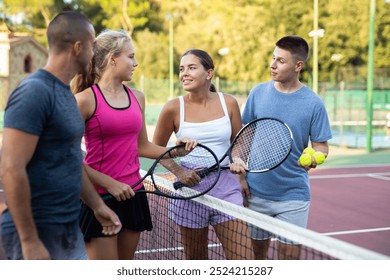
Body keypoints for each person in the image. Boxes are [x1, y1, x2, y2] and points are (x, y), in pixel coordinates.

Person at [0, 11, 122, 260]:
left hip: (68, 227)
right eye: (92, 45)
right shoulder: (35, 91)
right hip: (37, 232)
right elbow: (11, 167)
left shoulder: (66, 93)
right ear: (78, 47)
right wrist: (29, 240)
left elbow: (71, 158)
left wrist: (97, 205)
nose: (94, 53)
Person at [71, 30, 197, 260]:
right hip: (100, 198)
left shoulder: (137, 97)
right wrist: (109, 184)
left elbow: (143, 146)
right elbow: (67, 157)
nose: (135, 63)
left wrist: (176, 150)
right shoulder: (84, 100)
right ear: (112, 59)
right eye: (130, 56)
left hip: (134, 194)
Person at [152, 49, 254, 260]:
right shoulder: (173, 107)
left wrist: (239, 163)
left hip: (226, 186)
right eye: (181, 69)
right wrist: (180, 173)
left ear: (209, 73)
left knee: (245, 262)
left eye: (191, 67)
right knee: (196, 262)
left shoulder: (229, 103)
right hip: (189, 191)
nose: (184, 74)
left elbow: (240, 139)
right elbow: (157, 150)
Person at [241, 35, 332, 260]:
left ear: (298, 65)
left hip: (294, 196)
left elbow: (321, 146)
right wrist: (240, 176)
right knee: (256, 261)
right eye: (273, 58)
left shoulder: (313, 103)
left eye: (281, 61)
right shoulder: (257, 93)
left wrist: (315, 157)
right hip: (255, 193)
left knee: (289, 263)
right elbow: (244, 137)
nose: (272, 64)